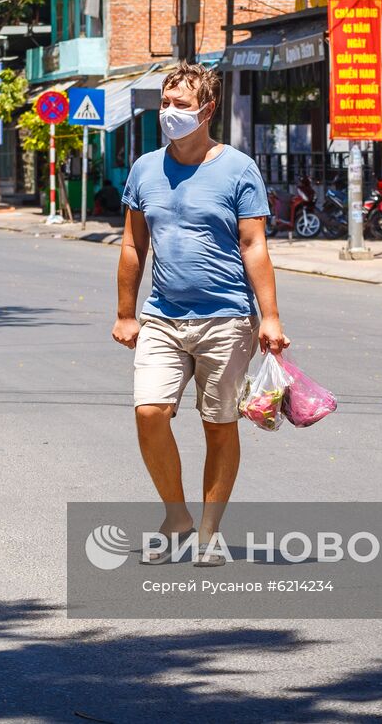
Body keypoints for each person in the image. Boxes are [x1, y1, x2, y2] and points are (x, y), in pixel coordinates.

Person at [112, 63, 289, 565]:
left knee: (219, 424)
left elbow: (254, 245)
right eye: (165, 104)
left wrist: (270, 317)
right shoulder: (145, 169)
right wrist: (126, 313)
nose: (169, 113)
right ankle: (177, 517)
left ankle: (209, 532)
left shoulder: (238, 169)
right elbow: (133, 244)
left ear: (207, 110)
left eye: (181, 105)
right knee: (149, 412)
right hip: (162, 316)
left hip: (227, 318)